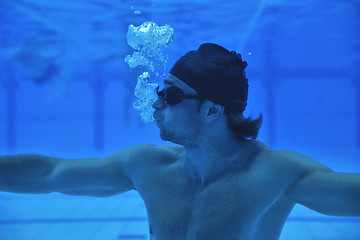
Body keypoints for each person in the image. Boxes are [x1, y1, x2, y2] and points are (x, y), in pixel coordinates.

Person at [0, 43, 359, 240]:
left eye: (171, 96)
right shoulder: (148, 167)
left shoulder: (275, 175)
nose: (156, 103)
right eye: (160, 92)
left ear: (212, 111)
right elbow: (48, 174)